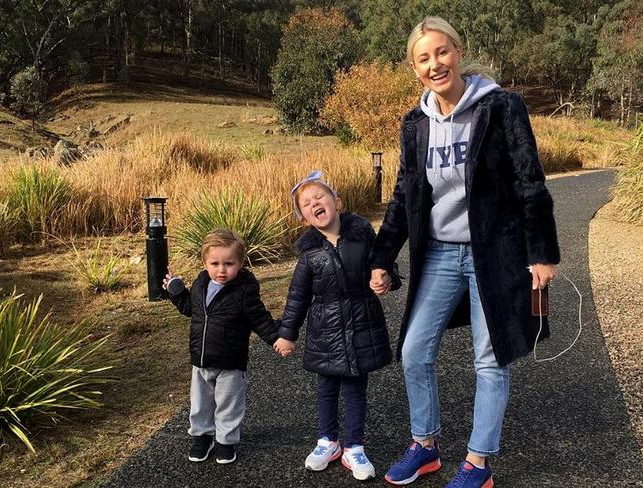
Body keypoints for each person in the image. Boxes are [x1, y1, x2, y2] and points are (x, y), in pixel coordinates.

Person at [368, 16, 560, 488]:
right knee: (414, 351)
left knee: (489, 358)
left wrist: (541, 252)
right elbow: (403, 196)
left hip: (494, 255)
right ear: (414, 68)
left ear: (458, 51)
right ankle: (425, 446)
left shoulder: (501, 107)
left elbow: (529, 182)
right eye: (423, 58)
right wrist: (381, 256)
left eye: (442, 52)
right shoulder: (415, 124)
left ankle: (478, 463)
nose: (435, 64)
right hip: (438, 255)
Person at [273, 171, 400, 481]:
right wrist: (287, 334)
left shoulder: (362, 236)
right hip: (325, 329)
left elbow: (385, 266)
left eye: (319, 196)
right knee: (327, 388)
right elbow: (297, 296)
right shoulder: (309, 253)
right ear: (304, 218)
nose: (314, 203)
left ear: (337, 202)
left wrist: (386, 279)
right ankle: (327, 441)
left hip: (361, 322)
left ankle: (354, 446)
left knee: (356, 389)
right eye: (306, 203)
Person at [163, 229, 288, 465]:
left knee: (228, 405)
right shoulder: (201, 284)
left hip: (230, 362)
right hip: (201, 361)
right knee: (200, 404)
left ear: (240, 263)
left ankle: (226, 441)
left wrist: (276, 339)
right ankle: (203, 436)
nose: (222, 270)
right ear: (205, 263)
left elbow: (259, 319)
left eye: (229, 263)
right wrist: (177, 293)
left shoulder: (244, 291)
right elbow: (191, 309)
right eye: (215, 263)